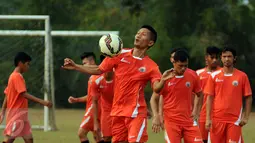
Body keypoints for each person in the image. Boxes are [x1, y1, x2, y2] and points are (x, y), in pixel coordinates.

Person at [62, 25, 162, 143]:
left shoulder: (152, 66)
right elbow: (99, 70)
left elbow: (157, 88)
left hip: (136, 113)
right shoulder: (119, 53)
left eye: (143, 34)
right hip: (117, 112)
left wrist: (157, 113)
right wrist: (75, 66)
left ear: (150, 43)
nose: (138, 35)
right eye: (138, 33)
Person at [0, 52, 52, 143]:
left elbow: (7, 95)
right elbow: (23, 94)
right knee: (9, 139)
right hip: (16, 114)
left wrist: (3, 111)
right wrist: (43, 102)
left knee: (29, 139)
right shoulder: (16, 76)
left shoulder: (13, 76)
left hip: (22, 115)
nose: (28, 67)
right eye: (27, 64)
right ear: (20, 63)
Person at [152, 50, 203, 142]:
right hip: (172, 123)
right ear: (173, 62)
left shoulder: (192, 75)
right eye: (180, 66)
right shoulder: (165, 77)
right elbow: (154, 99)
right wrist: (157, 116)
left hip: (189, 121)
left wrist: (196, 111)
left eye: (185, 66)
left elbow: (199, 94)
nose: (183, 68)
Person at [204, 47, 253, 143]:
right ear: (221, 58)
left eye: (229, 56)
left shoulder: (242, 76)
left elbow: (248, 97)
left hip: (234, 120)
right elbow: (209, 97)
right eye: (224, 56)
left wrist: (246, 117)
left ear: (234, 58)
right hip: (216, 120)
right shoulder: (214, 75)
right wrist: (208, 119)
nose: (227, 59)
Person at [67, 52, 103, 143]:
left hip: (93, 110)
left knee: (81, 133)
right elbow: (91, 96)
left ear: (92, 61)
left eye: (85, 63)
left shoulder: (99, 76)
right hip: (95, 109)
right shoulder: (92, 77)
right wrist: (77, 99)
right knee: (97, 136)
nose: (83, 66)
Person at [195, 46, 221, 143]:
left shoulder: (222, 72)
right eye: (212, 57)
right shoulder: (198, 74)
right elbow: (195, 96)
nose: (215, 60)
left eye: (217, 58)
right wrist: (194, 112)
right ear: (206, 57)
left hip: (219, 115)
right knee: (203, 140)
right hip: (203, 115)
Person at [91, 55, 115, 143]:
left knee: (121, 138)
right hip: (106, 111)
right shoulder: (96, 81)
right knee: (106, 138)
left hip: (120, 110)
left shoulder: (120, 78)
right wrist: (95, 123)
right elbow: (94, 101)